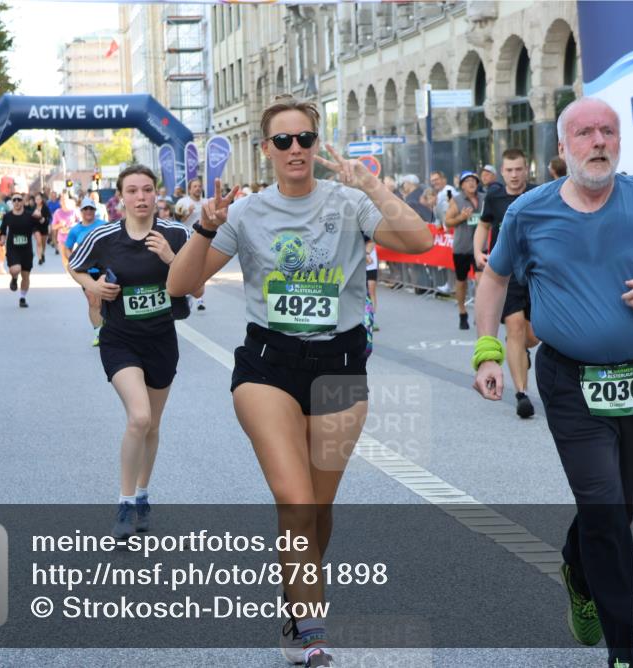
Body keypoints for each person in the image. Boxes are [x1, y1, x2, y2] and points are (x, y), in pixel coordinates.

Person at [167, 95, 432, 668]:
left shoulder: (349, 200)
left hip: (339, 366)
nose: (295, 150)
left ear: (317, 145)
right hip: (268, 366)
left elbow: (418, 243)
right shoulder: (246, 212)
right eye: (282, 141)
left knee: (317, 507)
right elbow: (179, 285)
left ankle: (295, 598)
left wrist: (374, 186)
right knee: (293, 498)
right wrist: (202, 226)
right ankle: (312, 632)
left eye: (305, 140)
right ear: (265, 150)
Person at [473, 97, 633, 668]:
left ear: (618, 141)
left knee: (618, 509)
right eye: (585, 133)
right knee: (603, 508)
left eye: (607, 131)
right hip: (569, 380)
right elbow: (494, 279)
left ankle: (578, 575)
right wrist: (486, 352)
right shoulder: (529, 211)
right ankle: (624, 654)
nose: (598, 141)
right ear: (563, 147)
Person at [68, 165, 190, 540]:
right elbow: (75, 267)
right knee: (138, 417)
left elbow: (197, 285)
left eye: (147, 190)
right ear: (120, 198)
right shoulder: (104, 236)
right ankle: (123, 503)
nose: (140, 197)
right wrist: (95, 286)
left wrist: (172, 258)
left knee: (152, 425)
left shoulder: (176, 234)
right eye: (133, 191)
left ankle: (142, 495)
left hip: (161, 339)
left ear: (157, 195)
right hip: (120, 339)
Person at [475, 148, 539, 419]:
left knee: (533, 335)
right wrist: (478, 252)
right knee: (513, 327)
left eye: (518, 169)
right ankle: (521, 394)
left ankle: (522, 351)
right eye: (509, 170)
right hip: (506, 273)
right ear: (503, 172)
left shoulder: (539, 194)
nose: (514, 175)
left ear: (526, 170)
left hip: (536, 272)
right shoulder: (495, 195)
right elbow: (483, 225)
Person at [445, 171, 484, 330]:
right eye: (467, 181)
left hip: (480, 248)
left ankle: (480, 313)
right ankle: (462, 312)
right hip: (462, 248)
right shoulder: (457, 200)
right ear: (461, 185)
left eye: (473, 180)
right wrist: (461, 217)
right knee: (461, 282)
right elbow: (447, 221)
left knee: (482, 281)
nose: (471, 183)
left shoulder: (484, 198)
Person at [66, 196, 107, 344]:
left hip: (104, 269)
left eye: (91, 208)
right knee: (92, 300)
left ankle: (107, 326)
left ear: (95, 210)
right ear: (81, 211)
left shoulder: (103, 225)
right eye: (85, 209)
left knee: (104, 301)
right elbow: (67, 248)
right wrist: (73, 262)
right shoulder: (75, 230)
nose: (88, 211)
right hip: (86, 271)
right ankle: (98, 333)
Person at [0, 191, 37, 307]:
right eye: (14, 200)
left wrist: (39, 238)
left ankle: (22, 298)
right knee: (15, 269)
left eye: (19, 200)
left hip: (26, 250)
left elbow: (37, 228)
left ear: (23, 202)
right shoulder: (7, 216)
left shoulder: (29, 216)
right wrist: (2, 239)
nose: (16, 202)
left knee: (26, 276)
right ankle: (14, 278)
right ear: (12, 202)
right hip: (13, 248)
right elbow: (3, 231)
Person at [52, 192, 79, 266]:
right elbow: (53, 227)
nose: (64, 201)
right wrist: (60, 225)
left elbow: (81, 223)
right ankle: (68, 272)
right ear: (60, 201)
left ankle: (73, 272)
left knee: (73, 257)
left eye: (65, 199)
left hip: (73, 238)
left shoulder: (74, 211)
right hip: (62, 239)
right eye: (62, 199)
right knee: (64, 258)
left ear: (68, 200)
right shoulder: (57, 212)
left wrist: (74, 225)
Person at [31, 192, 51, 265]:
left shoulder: (45, 208)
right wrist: (33, 215)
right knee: (38, 241)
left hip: (44, 226)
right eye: (36, 199)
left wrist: (44, 219)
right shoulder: (33, 208)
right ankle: (39, 258)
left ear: (42, 199)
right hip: (36, 227)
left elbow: (49, 217)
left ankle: (42, 254)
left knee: (43, 243)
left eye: (39, 199)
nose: (38, 200)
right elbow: (30, 217)